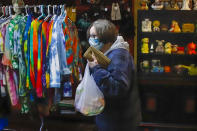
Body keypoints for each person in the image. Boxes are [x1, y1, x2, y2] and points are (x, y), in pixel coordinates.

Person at [87, 19, 141, 131]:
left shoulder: (119, 56)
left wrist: (96, 69)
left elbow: (117, 88)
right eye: (90, 36)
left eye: (94, 36)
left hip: (118, 122)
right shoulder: (108, 53)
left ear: (106, 37)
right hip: (112, 119)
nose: (91, 40)